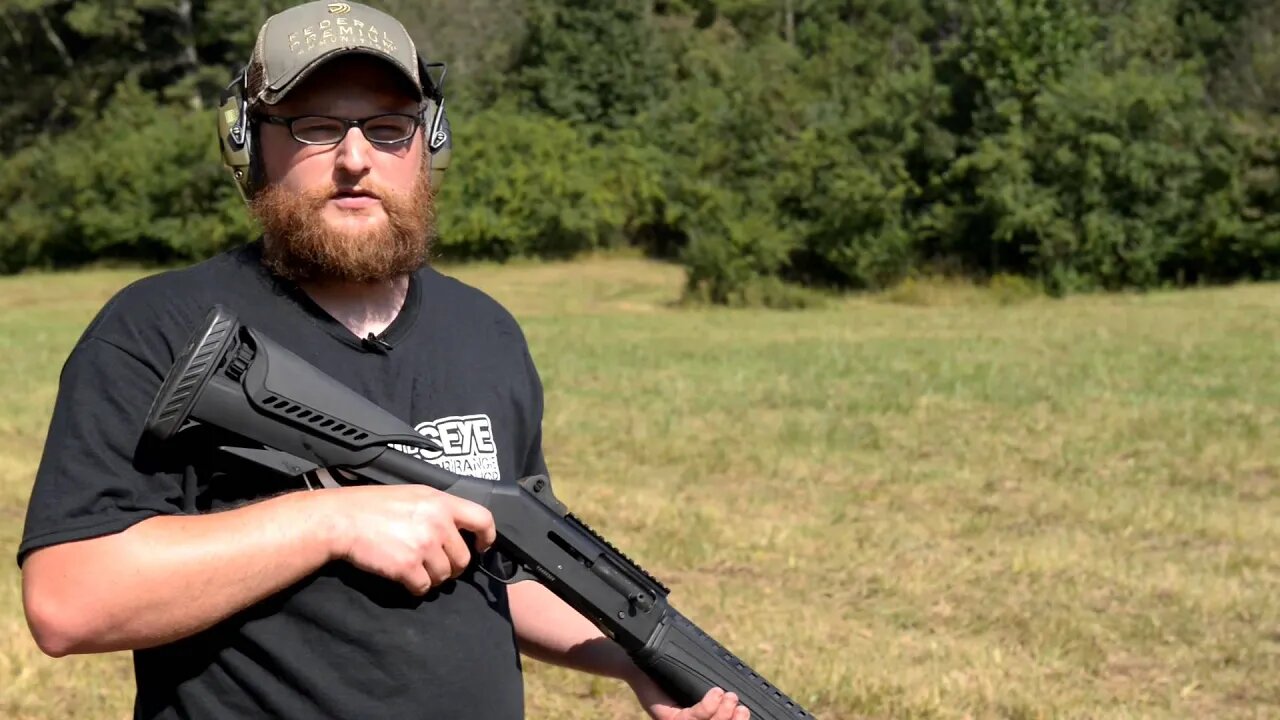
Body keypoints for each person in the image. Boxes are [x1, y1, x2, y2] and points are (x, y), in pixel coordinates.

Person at [16, 2, 750, 719]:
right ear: (247, 142)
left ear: (430, 144)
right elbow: (69, 601)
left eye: (389, 128)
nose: (356, 159)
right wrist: (330, 521)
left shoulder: (485, 332)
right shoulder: (162, 329)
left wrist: (632, 657)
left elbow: (506, 564)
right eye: (317, 127)